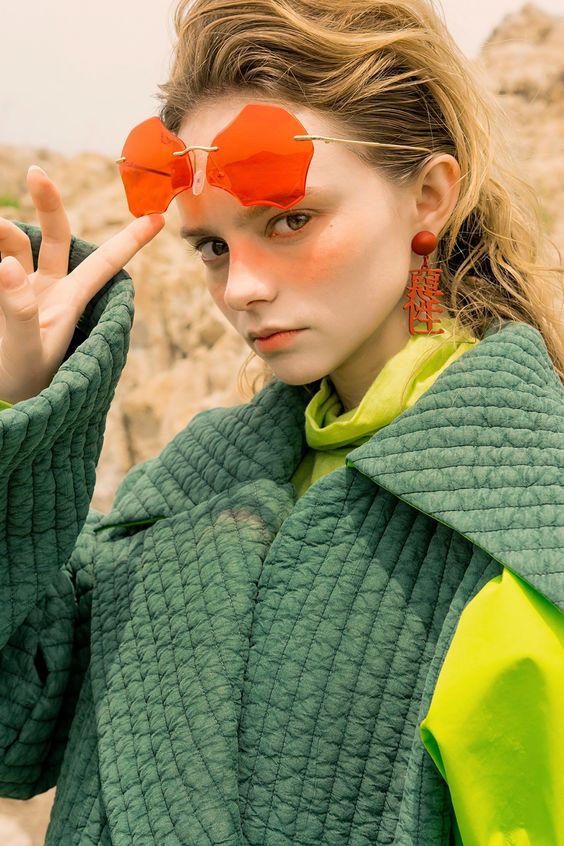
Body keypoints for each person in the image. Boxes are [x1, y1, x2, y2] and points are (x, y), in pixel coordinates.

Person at [0, 0, 562, 843]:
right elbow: (18, 724)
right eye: (212, 246)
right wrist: (22, 406)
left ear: (428, 198)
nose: (241, 288)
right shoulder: (186, 486)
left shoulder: (524, 533)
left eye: (290, 219)